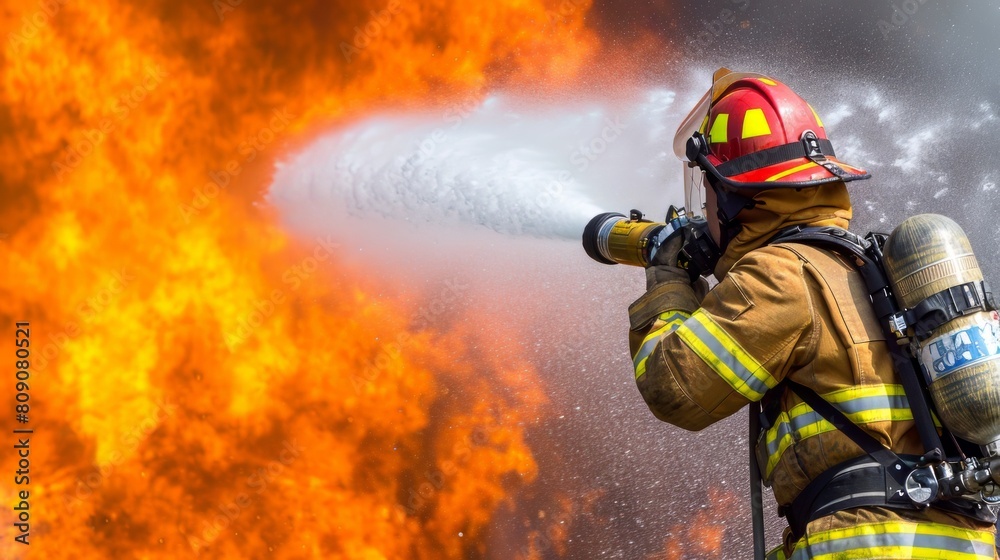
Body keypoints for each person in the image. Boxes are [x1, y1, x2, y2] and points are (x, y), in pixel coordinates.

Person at [629, 68, 998, 559]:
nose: (706, 212)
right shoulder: (870, 269)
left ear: (738, 196)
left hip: (869, 545)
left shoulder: (780, 274)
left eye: (709, 190)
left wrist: (667, 278)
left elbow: (675, 387)